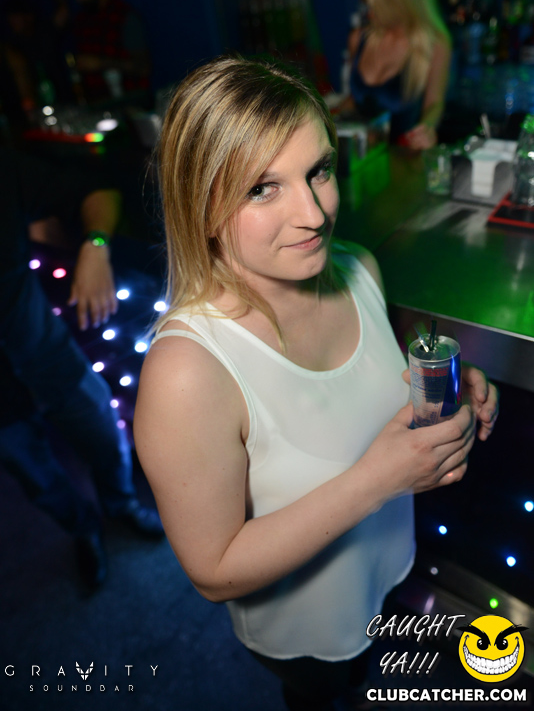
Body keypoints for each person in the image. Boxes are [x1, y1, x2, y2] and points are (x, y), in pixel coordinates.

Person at [133, 55, 498, 710]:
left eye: (318, 170)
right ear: (200, 204)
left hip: (388, 568)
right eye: (261, 188)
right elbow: (213, 572)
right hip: (305, 629)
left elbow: (360, 393)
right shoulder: (187, 373)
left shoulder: (359, 270)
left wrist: (441, 381)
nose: (314, 213)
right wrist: (378, 479)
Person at [0, 147, 163, 594]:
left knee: (108, 439)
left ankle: (121, 506)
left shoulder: (6, 167)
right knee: (37, 480)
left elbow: (97, 191)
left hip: (50, 354)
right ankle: (84, 529)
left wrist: (96, 248)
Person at [344, 0, 452, 150]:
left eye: (377, 3)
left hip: (404, 161)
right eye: (366, 1)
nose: (369, 11)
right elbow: (354, 101)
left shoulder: (435, 44)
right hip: (362, 160)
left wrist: (427, 128)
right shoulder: (358, 38)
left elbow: (434, 104)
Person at [68, 0, 151, 103]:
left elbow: (143, 67)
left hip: (129, 102)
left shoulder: (124, 17)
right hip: (96, 104)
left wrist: (101, 63)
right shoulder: (81, 21)